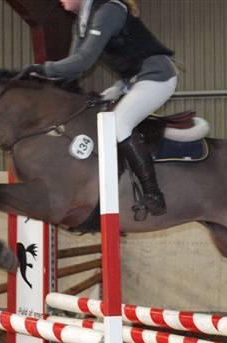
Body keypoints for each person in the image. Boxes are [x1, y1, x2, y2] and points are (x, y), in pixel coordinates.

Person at [26, 0, 176, 217]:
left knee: (118, 123)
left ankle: (153, 194)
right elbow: (72, 71)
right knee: (95, 115)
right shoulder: (81, 21)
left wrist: (43, 68)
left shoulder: (109, 10)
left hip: (157, 76)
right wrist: (40, 80)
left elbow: (83, 61)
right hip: (129, 82)